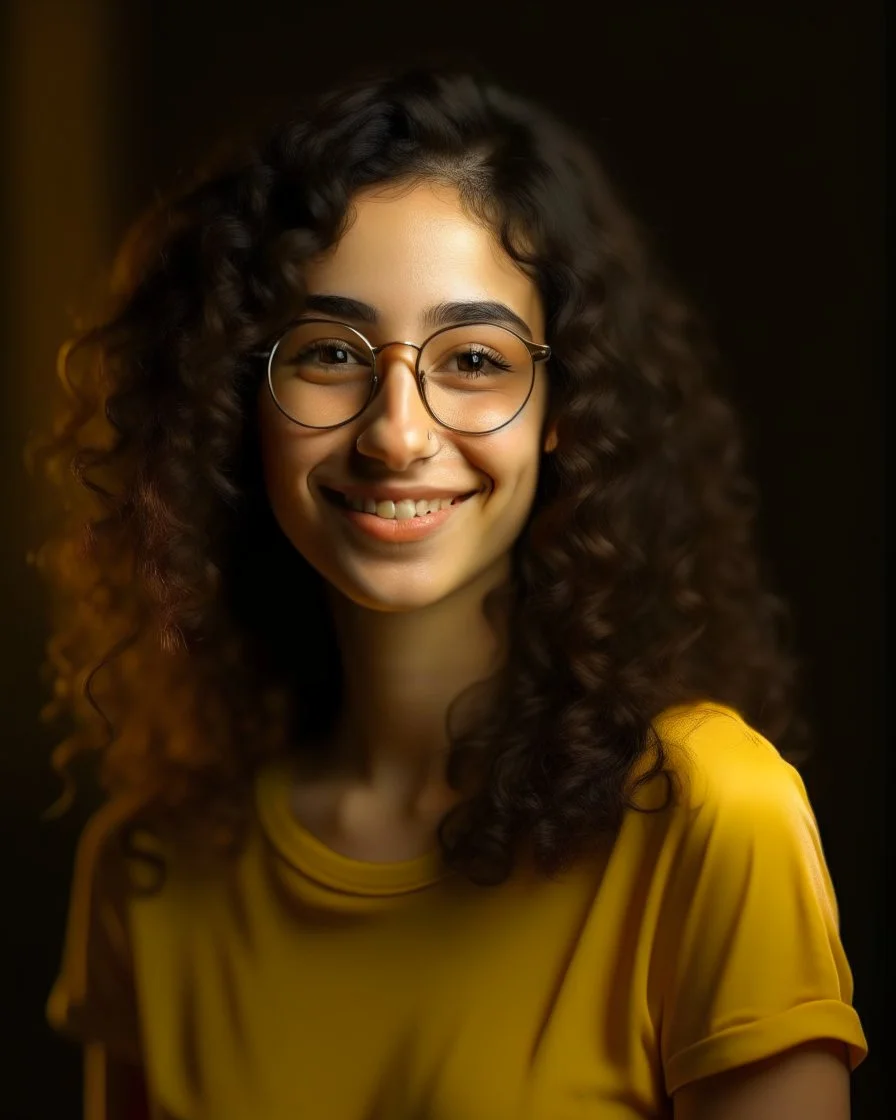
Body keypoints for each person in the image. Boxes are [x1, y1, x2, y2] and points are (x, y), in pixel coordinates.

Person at [31, 66, 867, 1119]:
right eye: (330, 352)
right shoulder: (148, 868)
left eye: (473, 358)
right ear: (233, 400)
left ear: (563, 410)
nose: (396, 431)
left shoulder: (708, 818)